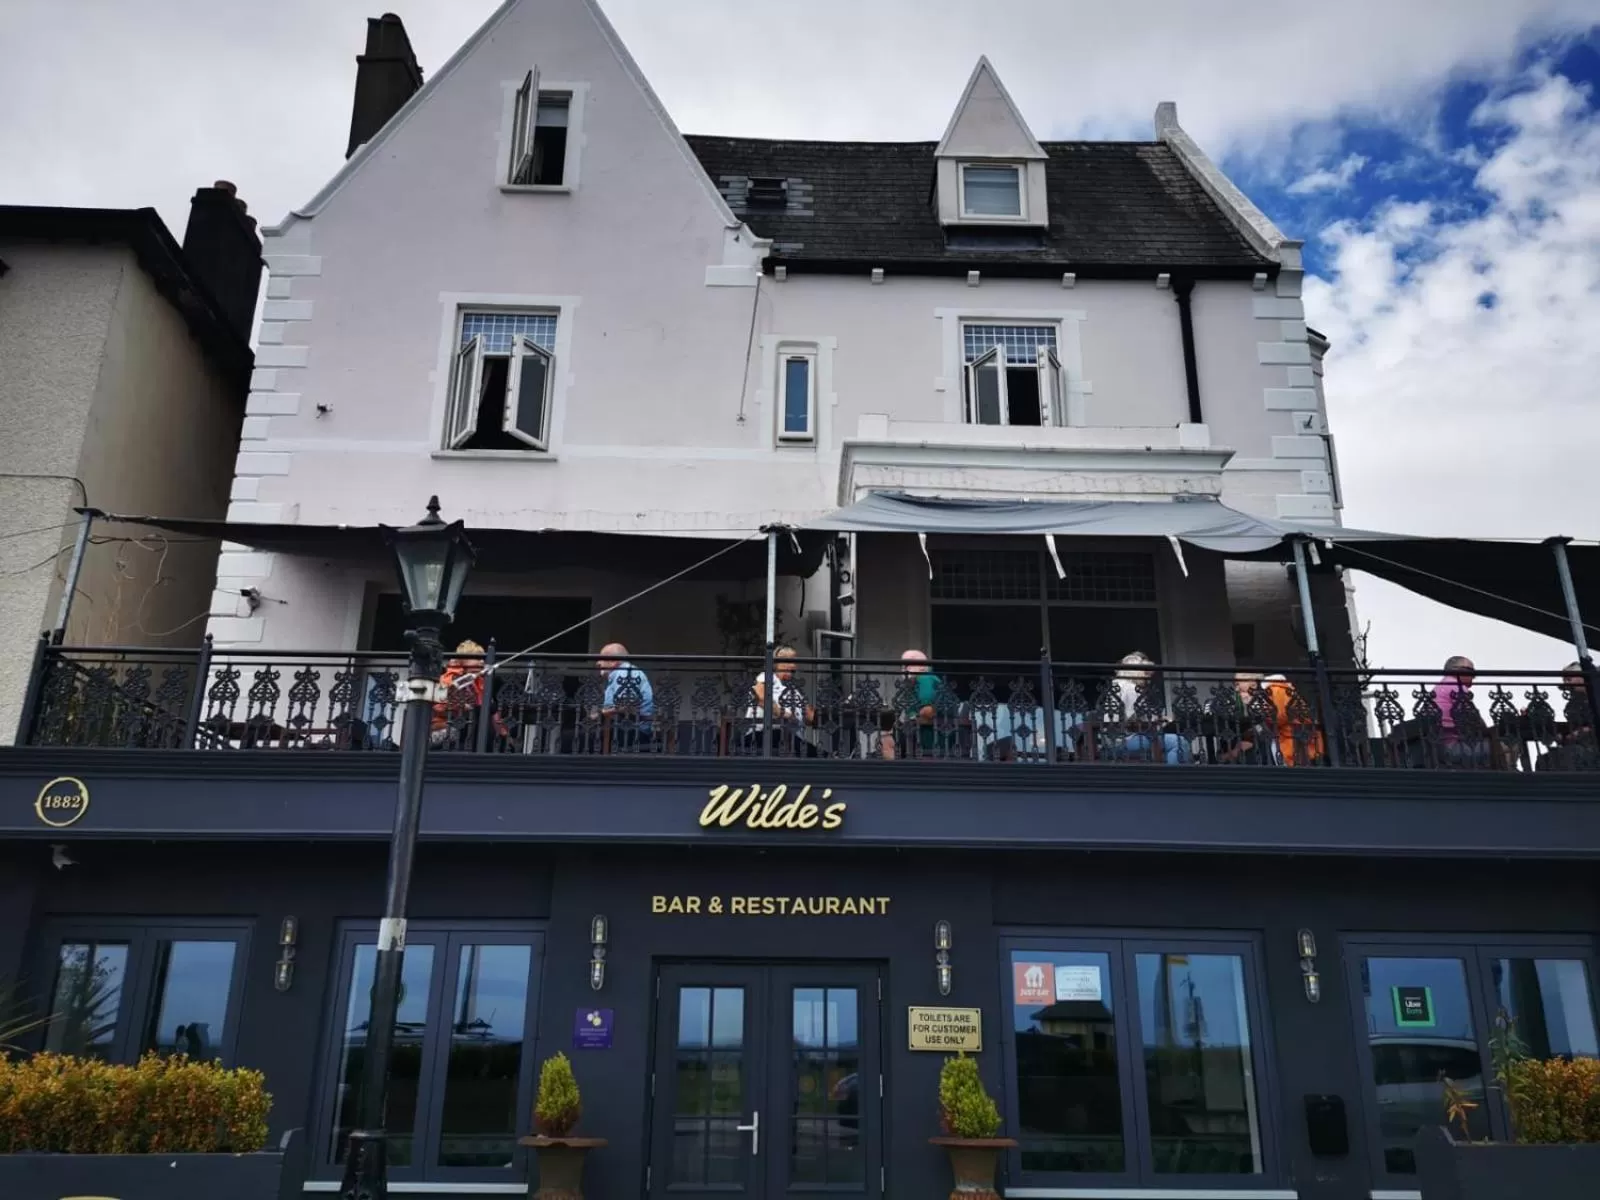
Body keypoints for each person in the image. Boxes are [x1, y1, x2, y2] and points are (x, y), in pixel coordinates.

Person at [1103, 651, 1189, 765]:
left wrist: (1157, 719)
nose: (1148, 678)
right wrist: (1161, 720)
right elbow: (1137, 720)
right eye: (1145, 673)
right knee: (1179, 742)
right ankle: (1173, 778)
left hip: (1112, 741)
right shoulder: (1131, 689)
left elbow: (1131, 715)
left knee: (1167, 744)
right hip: (1124, 741)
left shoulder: (1117, 686)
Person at [747, 647, 815, 754]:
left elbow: (809, 716)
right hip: (765, 734)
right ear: (777, 663)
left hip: (790, 739)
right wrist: (782, 713)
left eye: (794, 662)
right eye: (789, 661)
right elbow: (759, 696)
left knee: (817, 752)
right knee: (811, 752)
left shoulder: (794, 691)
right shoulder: (767, 677)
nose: (793, 665)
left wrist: (831, 715)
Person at [887, 649, 949, 759]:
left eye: (909, 663)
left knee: (885, 742)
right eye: (903, 665)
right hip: (918, 734)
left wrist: (910, 721)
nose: (905, 668)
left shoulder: (925, 679)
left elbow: (928, 712)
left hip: (931, 736)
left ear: (923, 666)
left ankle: (897, 774)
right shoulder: (912, 686)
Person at [1432, 655, 1489, 766]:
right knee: (1507, 744)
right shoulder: (1456, 686)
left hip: (1437, 746)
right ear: (1456, 670)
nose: (1473, 677)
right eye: (1471, 672)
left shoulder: (1440, 686)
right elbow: (1474, 720)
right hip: (1453, 748)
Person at [596, 644, 654, 748]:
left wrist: (602, 713)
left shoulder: (624, 673)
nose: (598, 663)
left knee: (572, 738)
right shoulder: (619, 674)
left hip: (632, 731)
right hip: (622, 726)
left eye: (601, 659)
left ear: (613, 661)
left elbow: (626, 707)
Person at [431, 640, 486, 748]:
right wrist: (462, 706)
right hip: (443, 728)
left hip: (464, 729)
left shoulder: (477, 682)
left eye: (482, 659)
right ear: (463, 660)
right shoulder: (450, 677)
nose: (482, 662)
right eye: (477, 658)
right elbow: (438, 705)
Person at [1264, 674, 1323, 766]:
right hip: (1301, 732)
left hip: (1292, 733)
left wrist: (1267, 719)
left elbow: (1280, 715)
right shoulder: (1286, 689)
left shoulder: (1276, 689)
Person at [1215, 672, 1267, 764]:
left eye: (1238, 684)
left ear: (1252, 683)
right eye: (1235, 685)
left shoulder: (1265, 699)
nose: (1236, 688)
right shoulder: (1245, 703)